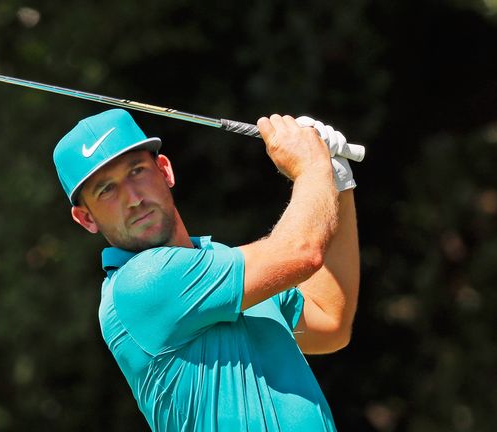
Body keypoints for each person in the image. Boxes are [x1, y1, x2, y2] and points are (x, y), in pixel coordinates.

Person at [52, 108, 360, 431]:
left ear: (165, 171)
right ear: (86, 218)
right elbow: (302, 252)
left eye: (136, 171)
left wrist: (337, 181)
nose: (133, 198)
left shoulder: (222, 263)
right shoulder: (139, 285)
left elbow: (330, 320)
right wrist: (313, 167)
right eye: (106, 190)